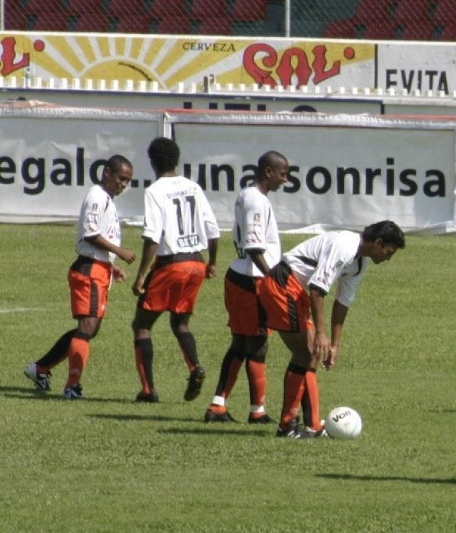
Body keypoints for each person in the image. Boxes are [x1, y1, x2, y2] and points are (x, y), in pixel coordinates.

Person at [257, 221, 405, 439]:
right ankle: (287, 426)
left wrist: (334, 344)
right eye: (388, 252)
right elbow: (317, 289)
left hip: (296, 291)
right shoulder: (344, 245)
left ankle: (312, 426)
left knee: (310, 355)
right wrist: (321, 333)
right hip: (283, 285)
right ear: (378, 242)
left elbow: (342, 303)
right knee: (305, 354)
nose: (388, 258)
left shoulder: (360, 264)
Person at [24, 155, 137, 399]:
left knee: (88, 328)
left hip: (98, 267)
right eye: (121, 178)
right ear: (107, 173)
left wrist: (111, 264)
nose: (123, 185)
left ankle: (40, 368)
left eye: (127, 181)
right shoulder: (97, 196)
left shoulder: (106, 198)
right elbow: (90, 234)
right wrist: (120, 252)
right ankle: (72, 386)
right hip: (89, 270)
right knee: (87, 327)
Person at [130, 137, 220, 403]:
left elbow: (152, 236)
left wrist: (141, 275)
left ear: (152, 161)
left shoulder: (155, 191)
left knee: (142, 325)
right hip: (196, 262)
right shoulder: (193, 187)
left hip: (171, 263)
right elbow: (213, 230)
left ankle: (148, 391)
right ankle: (195, 367)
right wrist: (212, 262)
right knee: (180, 321)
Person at [204, 151, 290, 425]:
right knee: (258, 344)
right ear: (268, 171)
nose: (284, 179)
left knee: (242, 343)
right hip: (252, 279)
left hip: (240, 275)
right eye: (282, 173)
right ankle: (257, 411)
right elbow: (254, 246)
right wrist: (272, 277)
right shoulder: (256, 200)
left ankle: (219, 406)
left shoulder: (248, 195)